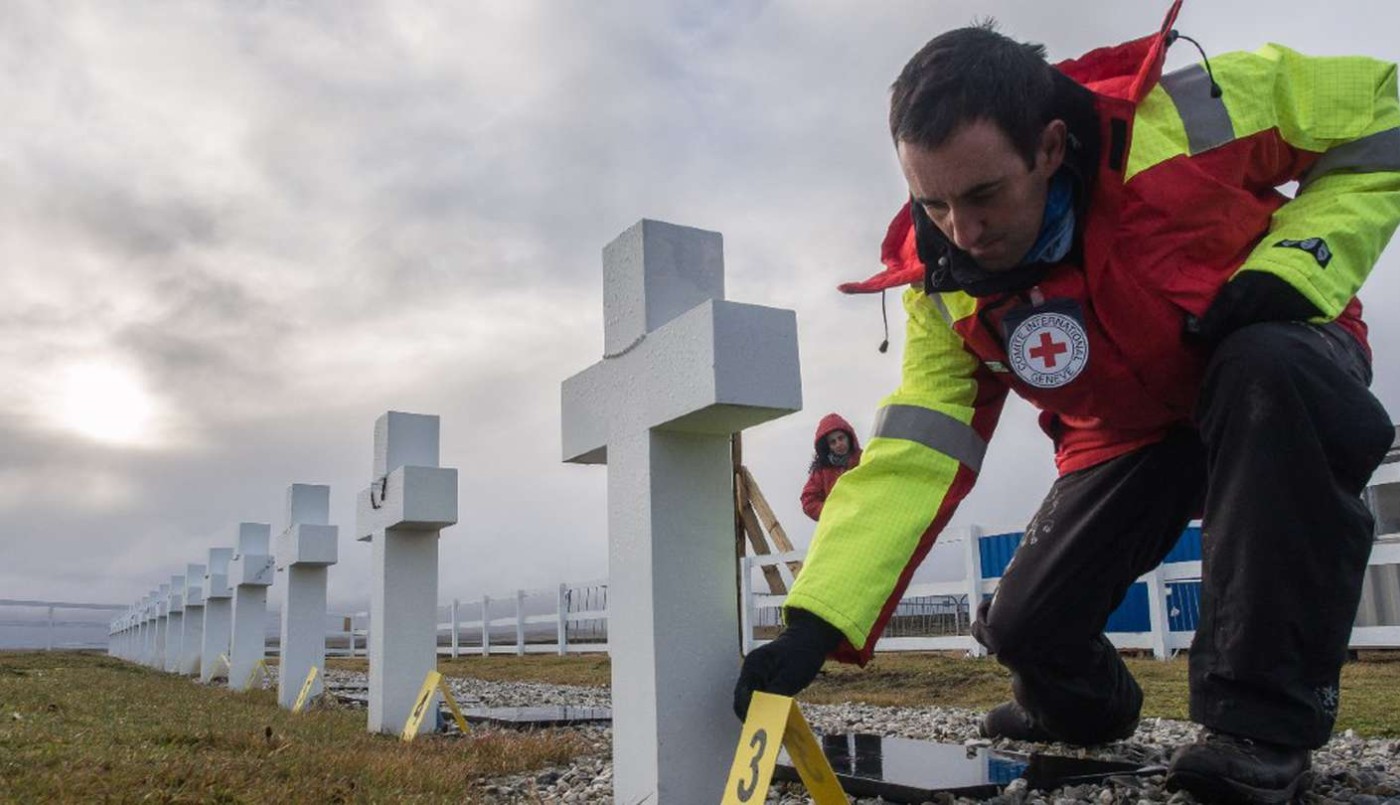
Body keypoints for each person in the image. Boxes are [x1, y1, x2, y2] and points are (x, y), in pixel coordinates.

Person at [734, 2, 1399, 802]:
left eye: (983, 194)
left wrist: (1301, 260)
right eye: (934, 203)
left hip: (1269, 363)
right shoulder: (942, 288)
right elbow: (921, 447)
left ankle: (1259, 726)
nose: (963, 232)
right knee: (1022, 626)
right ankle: (1085, 711)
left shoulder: (1184, 120)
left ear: (1049, 146)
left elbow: (1381, 105)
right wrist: (816, 619)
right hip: (1123, 433)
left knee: (1267, 370)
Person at [801, 413, 863, 521]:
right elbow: (808, 500)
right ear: (828, 446)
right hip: (839, 527)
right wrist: (832, 512)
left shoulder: (865, 460)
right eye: (833, 442)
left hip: (867, 519)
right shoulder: (821, 472)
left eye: (841, 438)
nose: (838, 444)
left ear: (849, 437)